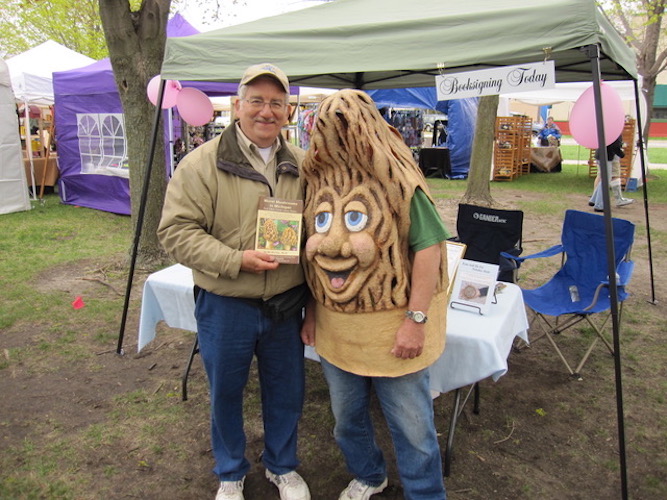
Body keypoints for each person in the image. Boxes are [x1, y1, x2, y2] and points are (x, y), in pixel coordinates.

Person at [157, 63, 311, 500]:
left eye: (277, 103)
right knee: (226, 392)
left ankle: (282, 467)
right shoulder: (202, 163)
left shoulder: (303, 164)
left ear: (288, 111)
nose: (267, 111)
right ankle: (230, 472)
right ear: (237, 105)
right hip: (226, 304)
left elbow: (319, 227)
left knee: (287, 392)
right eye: (257, 101)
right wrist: (234, 259)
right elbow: (175, 232)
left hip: (285, 305)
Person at [300, 90, 450, 500]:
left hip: (392, 331)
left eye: (346, 127)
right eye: (329, 129)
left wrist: (415, 320)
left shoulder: (401, 180)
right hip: (338, 332)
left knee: (413, 428)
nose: (337, 137)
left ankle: (426, 494)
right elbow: (310, 255)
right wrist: (312, 313)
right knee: (347, 420)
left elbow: (430, 249)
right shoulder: (315, 184)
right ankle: (369, 475)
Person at [588, 134, 634, 211]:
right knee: (605, 181)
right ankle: (599, 205)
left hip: (600, 155)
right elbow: (615, 146)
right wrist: (622, 154)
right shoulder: (616, 133)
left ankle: (594, 199)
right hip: (607, 157)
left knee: (604, 180)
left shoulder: (608, 130)